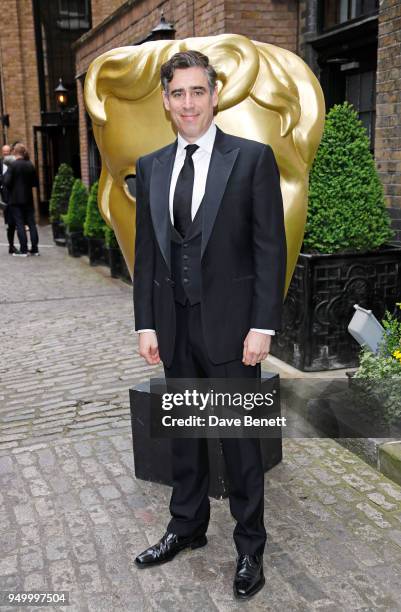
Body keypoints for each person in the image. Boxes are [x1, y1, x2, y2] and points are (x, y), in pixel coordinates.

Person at [133, 51, 286, 600]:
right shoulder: (151, 165)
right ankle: (186, 527)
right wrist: (144, 324)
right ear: (167, 101)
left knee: (241, 442)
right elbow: (147, 251)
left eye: (198, 91)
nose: (188, 103)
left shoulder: (251, 159)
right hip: (173, 328)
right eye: (178, 93)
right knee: (184, 437)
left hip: (233, 330)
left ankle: (250, 547)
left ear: (215, 95)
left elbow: (271, 249)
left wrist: (263, 324)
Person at [3, 143, 40, 256]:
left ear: (14, 152)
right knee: (31, 223)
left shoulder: (13, 166)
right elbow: (35, 183)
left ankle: (23, 250)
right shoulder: (30, 165)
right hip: (28, 198)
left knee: (19, 224)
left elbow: (6, 183)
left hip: (15, 199)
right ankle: (34, 249)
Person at [0, 144, 18, 254]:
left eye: (7, 151)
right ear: (2, 152)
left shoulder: (16, 163)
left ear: (11, 151)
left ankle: (23, 246)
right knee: (10, 224)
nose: (6, 153)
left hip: (16, 197)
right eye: (4, 152)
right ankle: (11, 245)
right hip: (6, 199)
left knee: (18, 223)